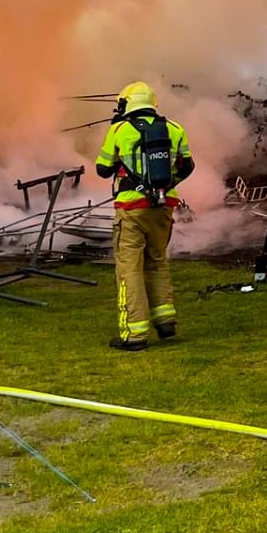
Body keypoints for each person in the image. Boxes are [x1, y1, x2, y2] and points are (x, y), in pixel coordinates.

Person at [94, 81, 194, 352]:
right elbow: (188, 166)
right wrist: (164, 184)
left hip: (131, 210)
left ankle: (134, 333)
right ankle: (165, 321)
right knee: (157, 261)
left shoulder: (119, 130)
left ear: (126, 104)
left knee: (129, 269)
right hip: (163, 207)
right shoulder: (174, 129)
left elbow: (102, 169)